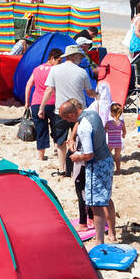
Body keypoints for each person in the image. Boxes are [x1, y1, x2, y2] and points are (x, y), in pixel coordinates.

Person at [58, 98, 115, 246]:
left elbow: (89, 155)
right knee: (107, 199)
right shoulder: (91, 113)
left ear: (71, 114)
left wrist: (77, 157)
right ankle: (113, 235)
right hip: (107, 160)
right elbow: (78, 122)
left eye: (66, 118)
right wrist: (71, 138)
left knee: (96, 205)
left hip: (96, 165)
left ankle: (99, 242)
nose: (68, 122)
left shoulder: (84, 128)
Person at [23, 47, 66, 168]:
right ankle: (57, 150)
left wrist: (27, 102)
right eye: (59, 61)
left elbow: (28, 85)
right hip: (52, 102)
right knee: (56, 127)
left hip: (36, 103)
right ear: (52, 59)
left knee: (41, 129)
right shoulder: (55, 70)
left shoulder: (36, 69)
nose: (60, 63)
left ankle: (41, 156)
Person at [39, 43, 95, 123]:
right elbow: (89, 93)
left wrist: (42, 108)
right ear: (74, 56)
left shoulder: (54, 69)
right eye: (80, 57)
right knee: (79, 135)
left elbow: (49, 90)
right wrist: (97, 95)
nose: (80, 60)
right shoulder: (82, 72)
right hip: (78, 111)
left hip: (61, 110)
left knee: (60, 135)